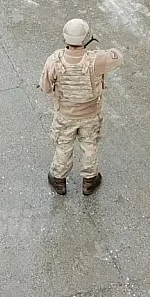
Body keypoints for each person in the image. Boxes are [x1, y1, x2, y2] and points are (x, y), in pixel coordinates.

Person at [40, 18, 124, 196]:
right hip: (91, 114)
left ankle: (59, 180)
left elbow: (46, 88)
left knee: (63, 146)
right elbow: (118, 56)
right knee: (89, 145)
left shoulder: (54, 60)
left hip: (65, 115)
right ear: (86, 38)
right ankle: (89, 181)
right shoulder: (97, 59)